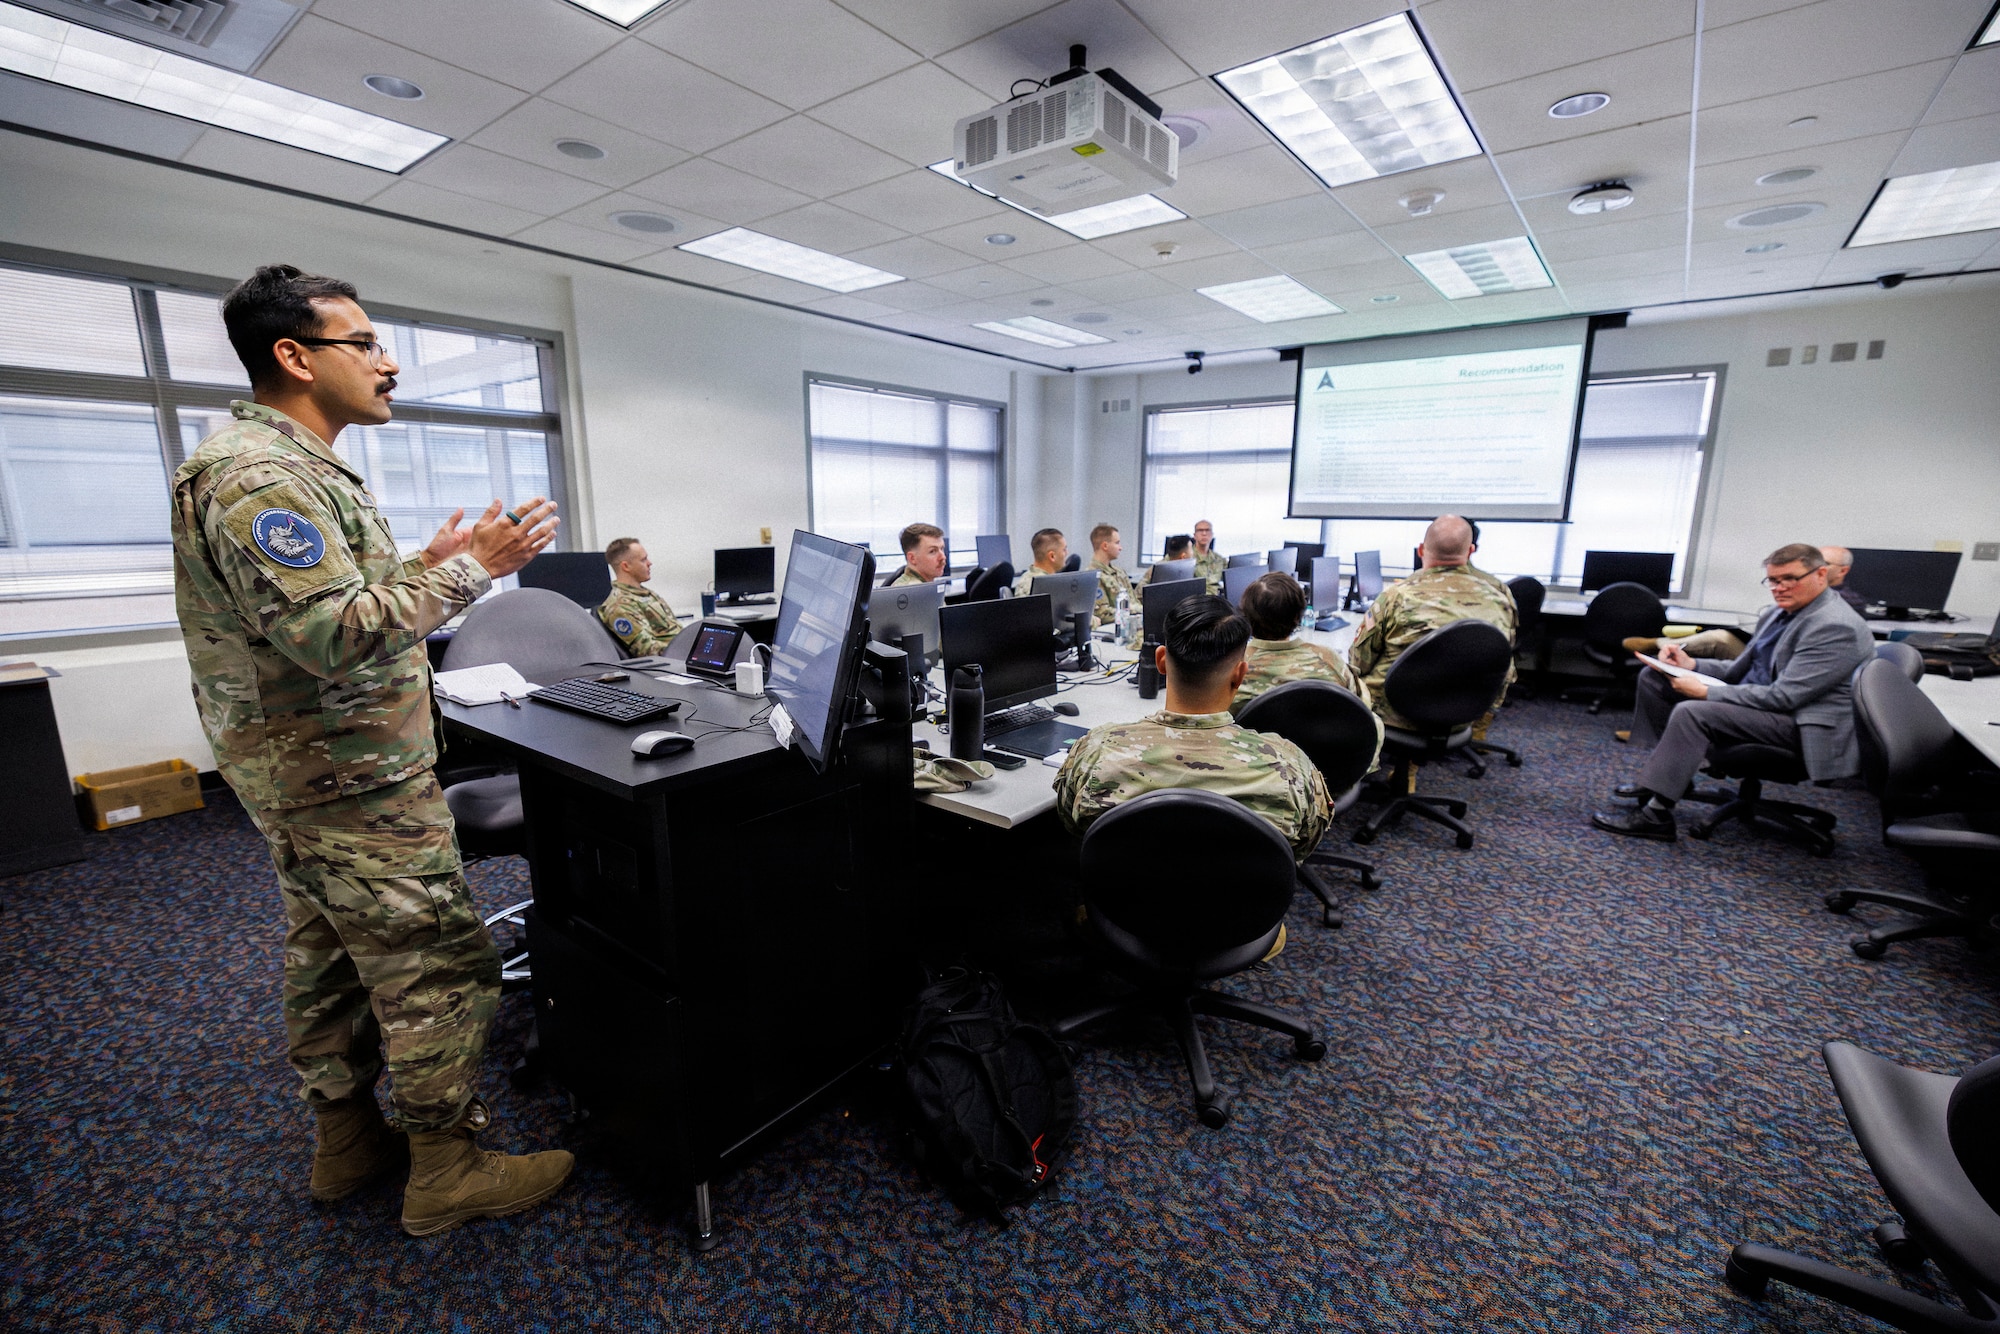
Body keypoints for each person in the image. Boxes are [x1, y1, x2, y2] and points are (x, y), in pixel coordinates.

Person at [170, 264, 575, 1238]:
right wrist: (479, 569)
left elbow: (318, 607)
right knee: (433, 961)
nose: (387, 363)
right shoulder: (259, 476)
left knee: (333, 960)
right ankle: (447, 1165)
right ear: (294, 356)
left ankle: (347, 1140)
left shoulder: (285, 464)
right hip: (348, 778)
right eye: (365, 344)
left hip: (312, 774)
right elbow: (334, 634)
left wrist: (428, 564)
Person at [1591, 543, 1875, 843]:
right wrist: (1691, 664)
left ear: (1821, 574)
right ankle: (1670, 777)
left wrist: (1704, 693)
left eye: (1790, 579)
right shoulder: (1779, 614)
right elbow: (1736, 671)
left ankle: (1655, 816)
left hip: (1802, 724)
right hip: (1767, 704)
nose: (1779, 588)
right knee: (1654, 677)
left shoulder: (1834, 626)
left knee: (1694, 711)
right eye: (1773, 581)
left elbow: (1785, 698)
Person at [1055, 595, 1333, 863]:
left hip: (1126, 901)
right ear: (1240, 674)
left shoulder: (1097, 751)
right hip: (1246, 905)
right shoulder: (1289, 767)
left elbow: (1073, 825)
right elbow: (1302, 847)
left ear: (1161, 661)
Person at [1346, 516, 1517, 730]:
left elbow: (1358, 662)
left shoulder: (1395, 596)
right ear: (1471, 551)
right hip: (1466, 712)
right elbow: (1504, 662)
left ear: (1420, 550)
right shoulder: (1500, 598)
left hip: (1391, 713)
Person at [1232, 572, 1381, 757]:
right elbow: (1361, 709)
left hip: (1254, 767)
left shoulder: (1230, 667)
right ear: (1299, 615)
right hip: (1326, 767)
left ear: (1245, 616)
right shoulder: (1329, 659)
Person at [598, 537, 684, 656]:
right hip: (671, 662)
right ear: (626, 567)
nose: (649, 563)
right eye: (643, 560)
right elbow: (649, 651)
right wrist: (692, 650)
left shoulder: (645, 593)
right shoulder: (620, 606)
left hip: (681, 653)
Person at [1085, 522, 1142, 633]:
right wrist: (1135, 611)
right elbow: (1102, 613)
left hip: (1132, 627)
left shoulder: (1119, 572)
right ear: (1105, 546)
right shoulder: (1092, 576)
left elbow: (1133, 599)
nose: (1120, 548)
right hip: (1111, 631)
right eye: (1117, 543)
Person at [1012, 527, 1068, 596]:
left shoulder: (1027, 578)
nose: (1067, 553)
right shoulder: (1045, 587)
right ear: (1052, 556)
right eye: (1064, 550)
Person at [890, 522, 947, 587]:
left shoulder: (924, 587)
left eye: (942, 549)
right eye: (932, 551)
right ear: (912, 558)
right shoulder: (910, 591)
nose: (943, 557)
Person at [1821, 544, 1869, 614]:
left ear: (1842, 571)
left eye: (1825, 563)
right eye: (1813, 562)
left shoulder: (1848, 600)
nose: (1815, 567)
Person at [1191, 519, 1225, 593]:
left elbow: (1231, 577)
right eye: (1200, 530)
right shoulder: (1186, 556)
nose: (1204, 533)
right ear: (1194, 535)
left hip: (1218, 598)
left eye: (1207, 530)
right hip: (1198, 599)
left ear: (1212, 535)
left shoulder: (1219, 559)